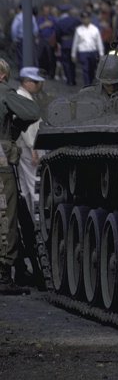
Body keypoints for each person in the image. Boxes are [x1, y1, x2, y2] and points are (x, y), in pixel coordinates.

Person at [0, 58, 41, 294]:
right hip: (2, 162)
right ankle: (4, 273)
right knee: (7, 214)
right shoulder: (5, 92)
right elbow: (32, 112)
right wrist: (13, 133)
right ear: (4, 75)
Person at [15, 67, 44, 219]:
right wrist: (34, 149)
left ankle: (30, 221)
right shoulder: (23, 98)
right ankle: (37, 221)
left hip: (24, 147)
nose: (39, 85)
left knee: (25, 187)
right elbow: (26, 127)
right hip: (28, 147)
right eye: (36, 82)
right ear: (27, 82)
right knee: (35, 185)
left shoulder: (21, 96)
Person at [71, 11, 105, 87]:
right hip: (83, 52)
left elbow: (99, 42)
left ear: (90, 19)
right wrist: (73, 54)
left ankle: (91, 81)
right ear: (81, 19)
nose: (85, 20)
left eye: (87, 18)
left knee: (92, 69)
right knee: (85, 69)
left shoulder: (95, 29)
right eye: (83, 18)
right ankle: (87, 84)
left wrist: (101, 53)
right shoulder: (79, 30)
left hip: (93, 52)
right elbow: (75, 43)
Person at [55, 4, 80, 86]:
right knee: (72, 62)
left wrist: (59, 41)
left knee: (65, 62)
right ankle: (73, 79)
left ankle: (69, 79)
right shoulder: (75, 20)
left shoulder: (60, 22)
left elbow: (57, 34)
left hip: (64, 42)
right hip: (73, 42)